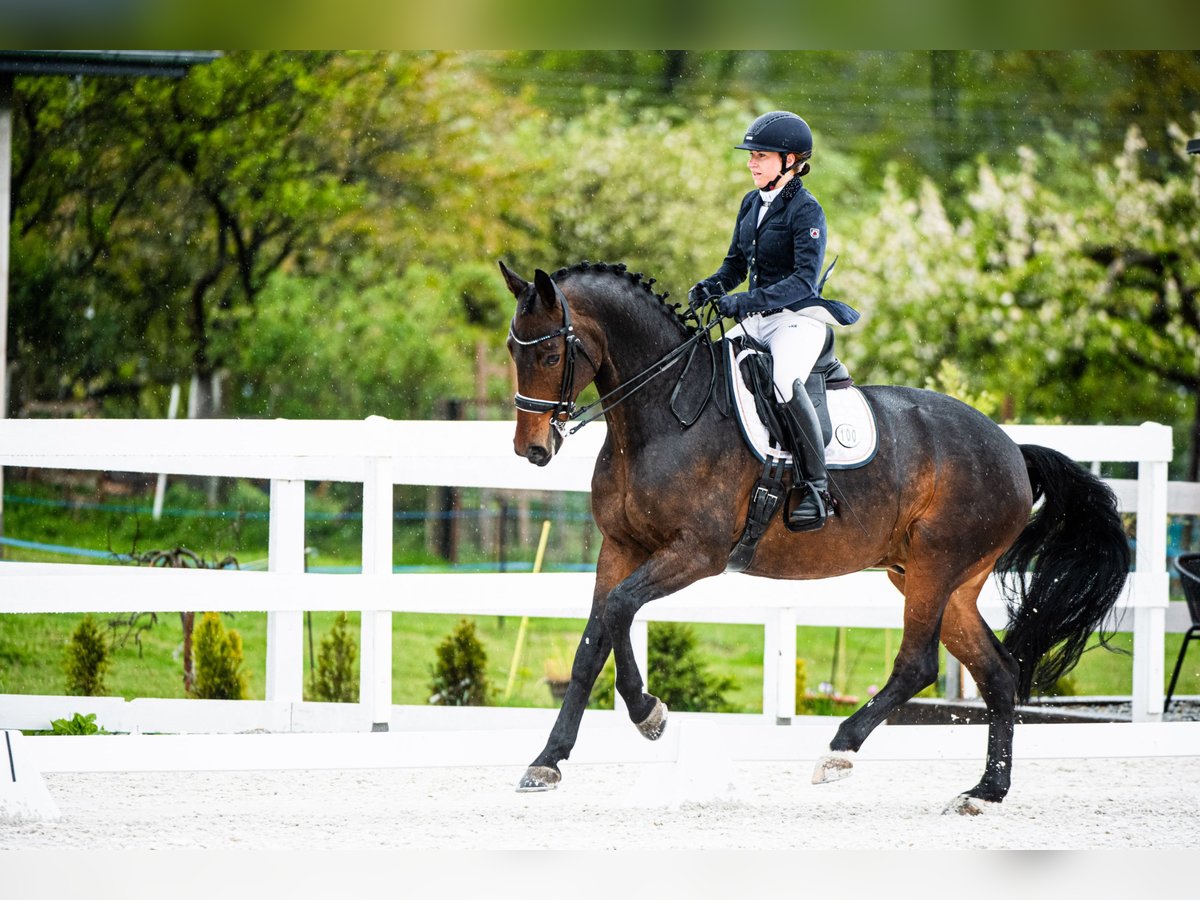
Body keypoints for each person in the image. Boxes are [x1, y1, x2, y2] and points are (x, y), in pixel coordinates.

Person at [688, 111, 859, 532]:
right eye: (752, 156)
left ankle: (815, 486)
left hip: (796, 319)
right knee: (703, 365)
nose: (752, 163)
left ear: (791, 160)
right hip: (756, 316)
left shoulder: (807, 211)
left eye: (760, 156)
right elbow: (734, 265)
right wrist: (711, 287)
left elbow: (803, 280)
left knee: (784, 383)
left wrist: (743, 302)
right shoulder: (751, 203)